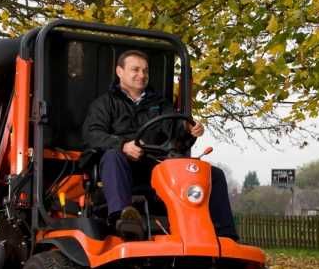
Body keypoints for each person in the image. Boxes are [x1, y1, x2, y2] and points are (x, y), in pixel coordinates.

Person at [82, 49, 238, 240]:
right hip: (124, 167)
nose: (142, 75)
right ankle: (124, 221)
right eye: (135, 69)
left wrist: (189, 131)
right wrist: (122, 145)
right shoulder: (105, 104)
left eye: (145, 71)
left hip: (157, 164)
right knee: (113, 156)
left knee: (213, 174)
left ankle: (225, 235)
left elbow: (175, 136)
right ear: (119, 71)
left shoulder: (161, 104)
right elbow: (92, 134)